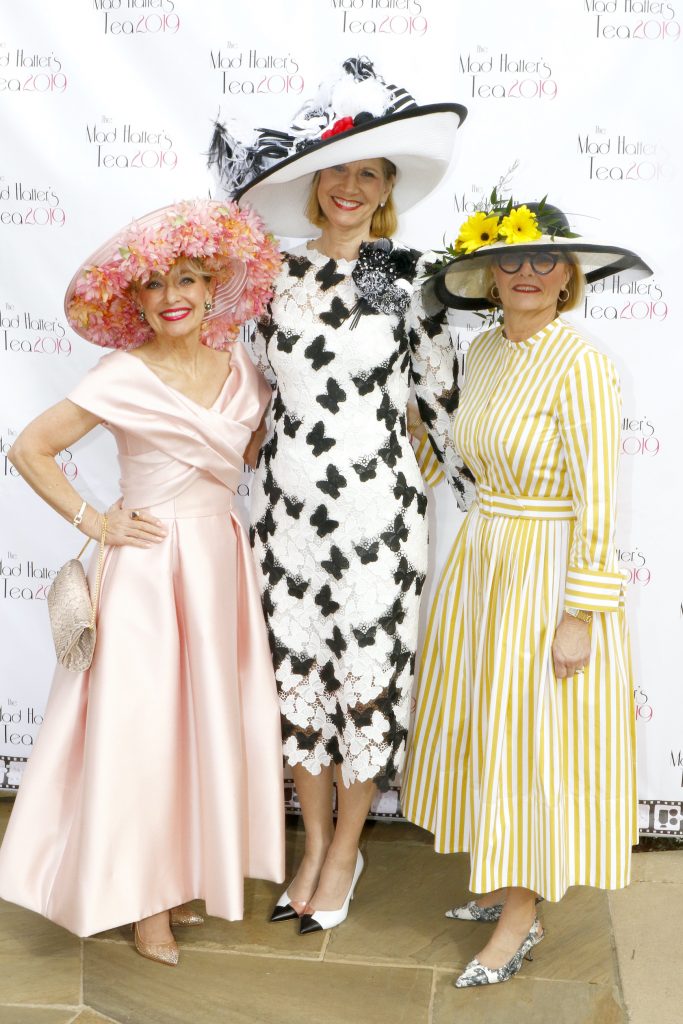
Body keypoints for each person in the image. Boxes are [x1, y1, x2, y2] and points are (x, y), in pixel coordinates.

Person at [210, 56, 474, 933]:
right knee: (297, 679)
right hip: (285, 514)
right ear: (313, 183)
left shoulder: (404, 275)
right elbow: (251, 392)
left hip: (376, 514)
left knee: (364, 683)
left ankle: (345, 849)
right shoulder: (271, 279)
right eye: (336, 171)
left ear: (388, 188)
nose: (350, 187)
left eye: (368, 173)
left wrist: (475, 491)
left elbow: (440, 397)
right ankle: (314, 840)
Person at [0, 199, 285, 965]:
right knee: (144, 733)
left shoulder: (241, 368)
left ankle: (178, 876)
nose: (172, 297)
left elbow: (251, 455)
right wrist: (96, 522)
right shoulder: (121, 375)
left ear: (213, 285)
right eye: (154, 285)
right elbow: (29, 449)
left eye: (186, 278)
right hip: (149, 571)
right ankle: (143, 903)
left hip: (220, 561)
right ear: (135, 301)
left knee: (201, 728)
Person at [401, 197, 652, 986]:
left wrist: (579, 613)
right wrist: (413, 427)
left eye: (545, 260)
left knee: (532, 736)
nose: (527, 273)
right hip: (485, 558)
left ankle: (520, 915)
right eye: (510, 258)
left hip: (544, 568)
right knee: (490, 727)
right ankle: (503, 875)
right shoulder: (480, 350)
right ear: (487, 274)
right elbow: (464, 463)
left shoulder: (581, 363)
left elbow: (597, 500)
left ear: (568, 277)